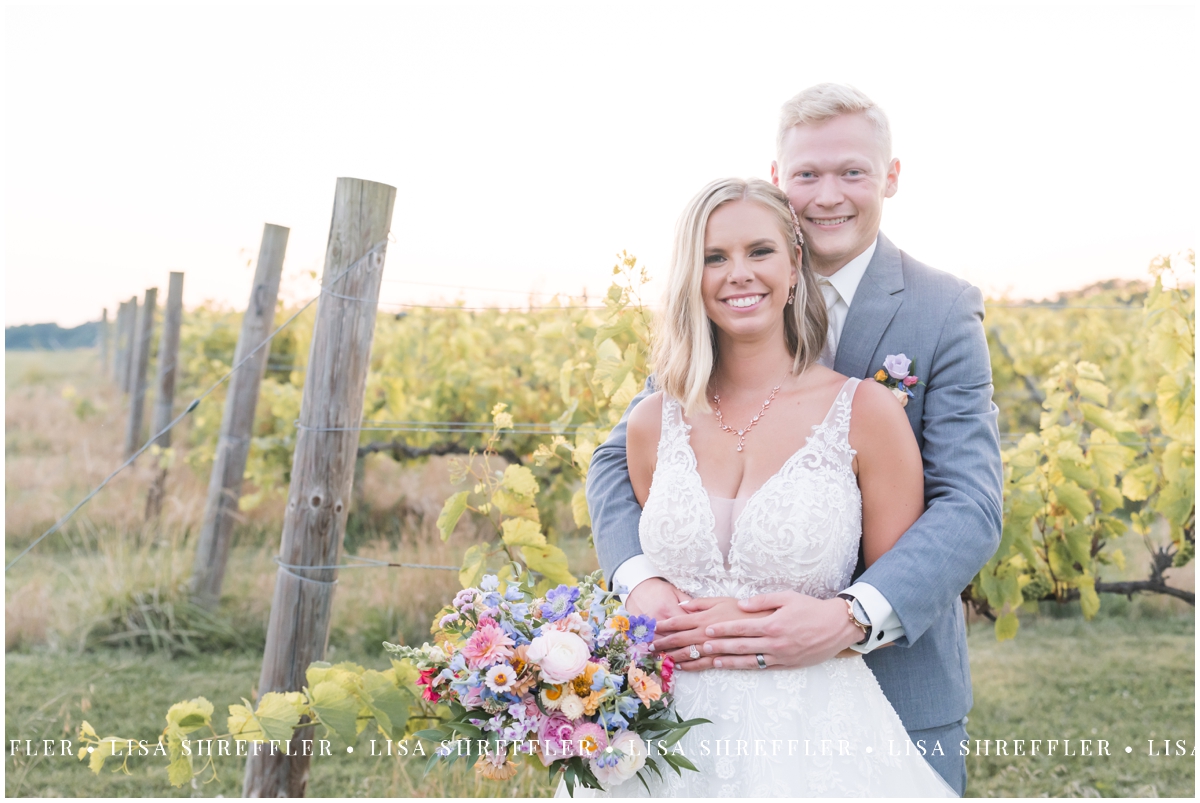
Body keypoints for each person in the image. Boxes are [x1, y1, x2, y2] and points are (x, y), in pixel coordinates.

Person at [587, 84, 1002, 795]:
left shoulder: (941, 310)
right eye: (808, 174)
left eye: (852, 172)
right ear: (780, 180)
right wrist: (641, 581)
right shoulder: (721, 297)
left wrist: (850, 617)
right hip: (689, 710)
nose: (828, 195)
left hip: (891, 693)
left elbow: (971, 505)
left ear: (890, 178)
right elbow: (618, 458)